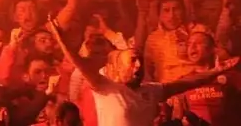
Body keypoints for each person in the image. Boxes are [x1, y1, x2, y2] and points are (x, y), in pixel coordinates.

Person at [47, 16, 239, 125]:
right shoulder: (106, 88)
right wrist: (61, 40)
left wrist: (215, 71)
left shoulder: (151, 90)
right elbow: (80, 63)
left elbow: (188, 82)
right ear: (118, 67)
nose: (138, 65)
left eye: (140, 61)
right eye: (132, 61)